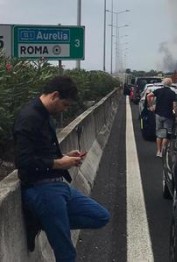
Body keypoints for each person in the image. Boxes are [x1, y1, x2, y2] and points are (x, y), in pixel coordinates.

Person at [13, 75, 110, 261]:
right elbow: (24, 162)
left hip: (58, 185)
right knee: (66, 253)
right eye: (65, 105)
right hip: (42, 189)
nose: (65, 109)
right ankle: (48, 220)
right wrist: (59, 163)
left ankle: (45, 221)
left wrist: (64, 157)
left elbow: (43, 153)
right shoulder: (28, 118)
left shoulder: (45, 116)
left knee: (101, 216)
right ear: (55, 95)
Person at [147, 77, 177, 157]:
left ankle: (158, 151)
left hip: (158, 114)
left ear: (163, 83)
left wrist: (150, 106)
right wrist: (175, 114)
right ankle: (163, 150)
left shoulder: (158, 91)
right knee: (166, 134)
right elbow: (174, 105)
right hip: (168, 116)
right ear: (170, 84)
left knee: (159, 134)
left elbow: (149, 96)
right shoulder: (172, 93)